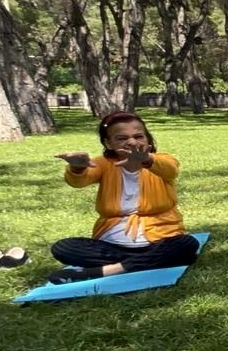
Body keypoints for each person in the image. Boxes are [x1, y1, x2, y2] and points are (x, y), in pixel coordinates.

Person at [48, 111, 202, 284]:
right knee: (63, 248)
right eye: (122, 138)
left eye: (138, 136)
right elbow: (79, 182)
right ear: (108, 143)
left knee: (186, 244)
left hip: (159, 240)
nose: (132, 142)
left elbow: (171, 169)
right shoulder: (103, 163)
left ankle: (108, 270)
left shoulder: (161, 160)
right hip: (112, 246)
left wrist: (146, 160)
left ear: (148, 139)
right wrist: (77, 168)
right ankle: (145, 262)